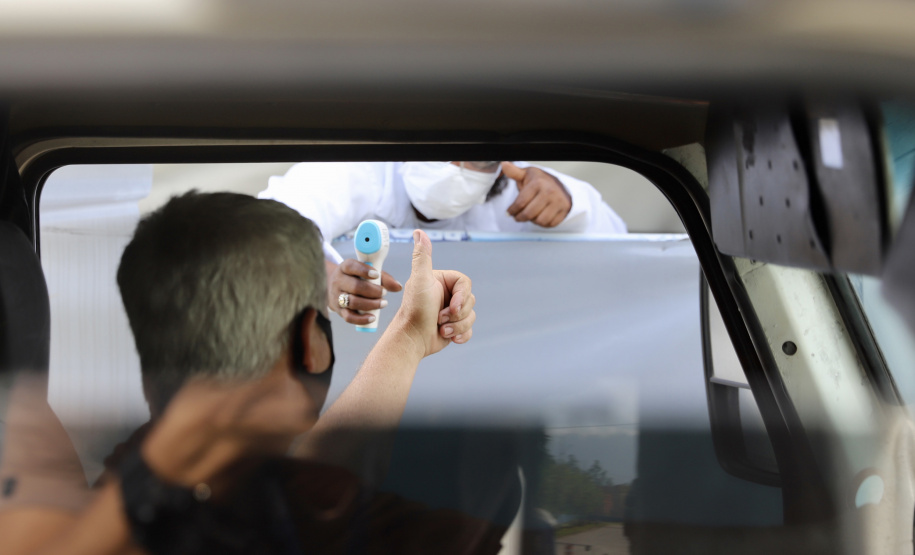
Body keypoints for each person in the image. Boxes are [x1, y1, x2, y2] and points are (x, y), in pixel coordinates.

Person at [0, 191, 489, 554]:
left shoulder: (76, 510)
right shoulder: (359, 525)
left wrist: (406, 338)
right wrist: (406, 340)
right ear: (310, 347)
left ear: (149, 369)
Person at [259, 161, 627, 325]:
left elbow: (624, 260)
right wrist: (323, 279)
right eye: (445, 145)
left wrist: (569, 204)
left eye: (479, 155)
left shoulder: (520, 189)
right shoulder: (360, 172)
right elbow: (267, 229)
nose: (459, 164)